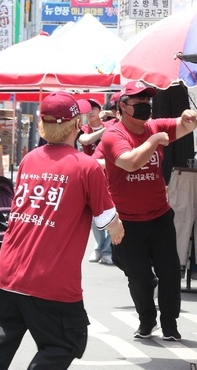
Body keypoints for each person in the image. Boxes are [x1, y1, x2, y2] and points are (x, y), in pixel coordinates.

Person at [0, 92, 124, 370]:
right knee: (69, 339)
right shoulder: (86, 167)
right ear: (76, 125)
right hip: (51, 276)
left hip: (9, 266)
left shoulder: (30, 159)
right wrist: (121, 231)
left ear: (42, 124)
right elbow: (109, 222)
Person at [100, 81, 197, 341]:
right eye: (138, 102)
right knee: (141, 278)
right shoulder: (113, 135)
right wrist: (154, 141)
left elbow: (184, 126)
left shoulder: (153, 126)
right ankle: (147, 320)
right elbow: (131, 163)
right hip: (127, 222)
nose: (145, 106)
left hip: (159, 216)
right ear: (122, 106)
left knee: (169, 272)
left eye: (147, 101)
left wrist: (189, 119)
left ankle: (169, 324)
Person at [77, 98, 114, 265]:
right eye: (88, 109)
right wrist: (104, 131)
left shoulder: (113, 123)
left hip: (112, 176)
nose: (91, 112)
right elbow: (85, 140)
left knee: (111, 213)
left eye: (94, 108)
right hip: (91, 175)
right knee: (93, 214)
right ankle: (99, 246)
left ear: (101, 110)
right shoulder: (85, 129)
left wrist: (111, 116)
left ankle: (107, 250)